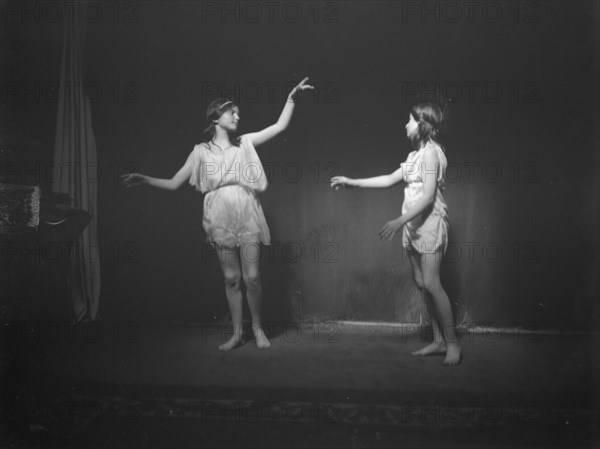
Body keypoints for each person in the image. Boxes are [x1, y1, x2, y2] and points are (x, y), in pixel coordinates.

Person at [122, 77, 314, 351]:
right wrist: (145, 179)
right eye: (231, 112)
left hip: (245, 210)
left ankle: (257, 329)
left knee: (252, 277)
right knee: (231, 278)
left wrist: (291, 98)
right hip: (218, 215)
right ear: (215, 118)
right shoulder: (200, 151)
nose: (237, 115)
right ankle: (237, 333)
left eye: (237, 112)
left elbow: (279, 126)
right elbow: (175, 182)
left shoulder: (244, 143)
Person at [331, 102, 461, 366]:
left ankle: (452, 344)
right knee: (422, 284)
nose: (405, 125)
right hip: (412, 226)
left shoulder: (432, 154)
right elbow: (390, 178)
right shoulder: (415, 156)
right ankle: (437, 340)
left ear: (422, 124)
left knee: (433, 284)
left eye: (409, 120)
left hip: (429, 224)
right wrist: (353, 182)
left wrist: (398, 221)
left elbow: (427, 198)